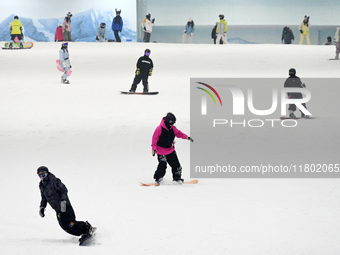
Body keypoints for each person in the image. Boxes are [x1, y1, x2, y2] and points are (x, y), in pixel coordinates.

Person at [37, 166, 94, 242]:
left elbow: (64, 190)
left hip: (65, 207)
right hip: (58, 209)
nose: (41, 176)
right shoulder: (41, 185)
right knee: (66, 226)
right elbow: (44, 198)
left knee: (70, 223)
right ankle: (84, 230)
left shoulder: (54, 180)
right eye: (39, 175)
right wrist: (42, 207)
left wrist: (63, 201)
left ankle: (86, 229)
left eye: (43, 174)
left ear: (47, 173)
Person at [151, 113, 194, 185]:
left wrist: (187, 137)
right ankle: (158, 178)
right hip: (161, 151)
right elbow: (154, 139)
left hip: (170, 150)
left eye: (173, 123)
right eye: (171, 123)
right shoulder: (159, 129)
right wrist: (153, 149)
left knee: (176, 165)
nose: (172, 125)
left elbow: (179, 134)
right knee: (162, 165)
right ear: (167, 121)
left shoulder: (173, 128)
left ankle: (177, 178)